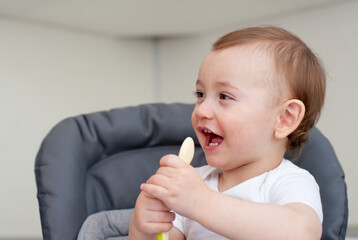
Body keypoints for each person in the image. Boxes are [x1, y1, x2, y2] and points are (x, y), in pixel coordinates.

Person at [129, 25, 326, 240]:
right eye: (200, 94)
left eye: (224, 96)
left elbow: (302, 233)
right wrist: (144, 226)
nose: (201, 110)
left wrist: (203, 203)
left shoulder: (289, 182)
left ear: (284, 118)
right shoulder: (193, 183)